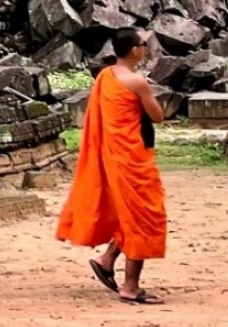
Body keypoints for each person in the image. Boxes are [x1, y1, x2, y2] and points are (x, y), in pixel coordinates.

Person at [56, 28, 168, 305]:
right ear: (135, 51)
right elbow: (158, 116)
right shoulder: (137, 82)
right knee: (142, 217)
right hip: (132, 159)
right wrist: (148, 95)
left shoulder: (105, 76)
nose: (146, 47)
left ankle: (107, 260)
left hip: (112, 154)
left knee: (128, 214)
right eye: (143, 44)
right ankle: (131, 287)